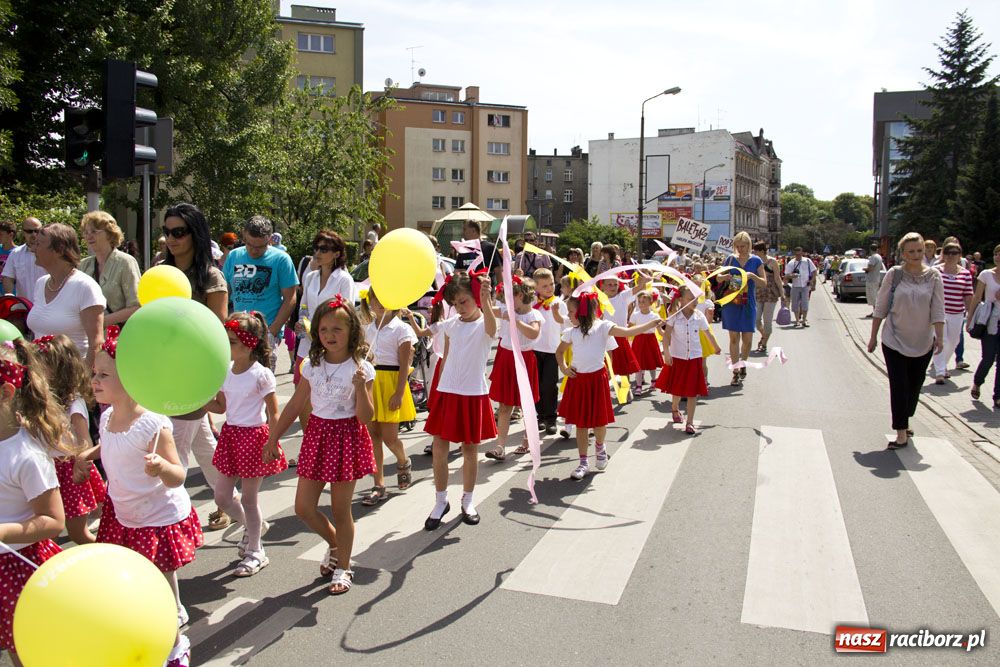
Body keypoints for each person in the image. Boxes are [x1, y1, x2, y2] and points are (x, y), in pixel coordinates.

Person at [78, 329, 203, 666]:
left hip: (155, 517)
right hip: (124, 514)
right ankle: (163, 620)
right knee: (142, 582)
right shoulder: (106, 417)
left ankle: (176, 645)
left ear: (131, 378)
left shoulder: (152, 424)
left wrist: (161, 465)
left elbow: (177, 475)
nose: (94, 380)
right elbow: (112, 444)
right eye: (94, 373)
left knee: (156, 587)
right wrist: (87, 456)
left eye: (104, 375)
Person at [267, 296, 375, 595]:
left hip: (347, 436)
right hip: (318, 435)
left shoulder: (362, 368)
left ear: (351, 331)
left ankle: (344, 565)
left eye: (337, 329)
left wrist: (359, 388)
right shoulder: (312, 366)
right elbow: (295, 405)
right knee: (303, 507)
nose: (330, 335)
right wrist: (273, 437)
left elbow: (366, 417)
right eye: (324, 329)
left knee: (341, 509)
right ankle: (335, 543)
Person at [161, 203, 233, 532]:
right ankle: (229, 500)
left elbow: (217, 328)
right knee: (203, 444)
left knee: (173, 447)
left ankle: (172, 522)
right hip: (162, 370)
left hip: (194, 372)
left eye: (179, 232)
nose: (171, 238)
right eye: (167, 232)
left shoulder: (211, 276)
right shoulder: (161, 270)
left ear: (195, 233)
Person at [0, 339, 70, 663]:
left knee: (24, 648)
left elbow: (54, 521)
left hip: (17, 565)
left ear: (6, 392)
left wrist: (2, 532)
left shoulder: (26, 455)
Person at [205, 312, 287, 578]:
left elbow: (274, 412)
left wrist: (272, 441)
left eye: (231, 342)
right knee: (222, 497)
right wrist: (197, 399)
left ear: (249, 344)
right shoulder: (224, 371)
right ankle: (254, 527)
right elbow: (221, 406)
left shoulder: (260, 375)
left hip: (254, 438)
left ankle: (255, 551)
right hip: (231, 436)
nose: (226, 347)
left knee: (250, 499)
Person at [557, 291, 662, 479]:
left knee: (598, 422)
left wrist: (651, 324)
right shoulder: (571, 332)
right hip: (578, 381)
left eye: (571, 312)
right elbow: (559, 353)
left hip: (597, 380)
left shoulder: (603, 327)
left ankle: (600, 448)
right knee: (581, 424)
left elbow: (629, 332)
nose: (568, 316)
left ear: (581, 312)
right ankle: (583, 462)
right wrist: (564, 369)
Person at [423, 273, 497, 529]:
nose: (460, 307)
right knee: (439, 450)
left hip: (472, 393)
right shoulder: (451, 324)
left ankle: (468, 500)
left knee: (469, 451)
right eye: (455, 303)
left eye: (464, 301)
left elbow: (492, 329)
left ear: (476, 297)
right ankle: (440, 500)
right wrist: (437, 392)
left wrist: (486, 300)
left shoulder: (486, 323)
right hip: (447, 391)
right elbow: (447, 357)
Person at [867, 233, 945, 448]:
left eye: (919, 251)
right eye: (911, 251)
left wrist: (940, 337)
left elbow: (938, 309)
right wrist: (873, 336)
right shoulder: (895, 274)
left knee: (914, 386)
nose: (916, 255)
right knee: (899, 385)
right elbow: (881, 306)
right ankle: (901, 431)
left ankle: (906, 417)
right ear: (903, 253)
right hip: (894, 339)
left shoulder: (934, 276)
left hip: (923, 341)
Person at [33, 334, 104, 545]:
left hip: (69, 473)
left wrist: (80, 466)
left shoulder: (74, 404)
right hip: (46, 471)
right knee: (46, 535)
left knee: (78, 534)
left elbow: (85, 442)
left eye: (40, 367)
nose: (35, 372)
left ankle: (111, 559)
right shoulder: (41, 401)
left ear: (59, 370)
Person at [359, 289, 415, 506]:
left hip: (392, 382)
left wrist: (399, 392)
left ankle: (403, 461)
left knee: (390, 437)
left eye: (385, 298)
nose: (380, 303)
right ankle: (378, 484)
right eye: (375, 298)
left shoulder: (402, 329)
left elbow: (404, 366)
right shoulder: (366, 329)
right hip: (372, 382)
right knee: (373, 437)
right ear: (370, 301)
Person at [223, 215, 299, 373]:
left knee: (260, 383)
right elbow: (225, 291)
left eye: (260, 246)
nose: (253, 250)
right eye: (249, 244)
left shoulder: (281, 259)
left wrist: (273, 331)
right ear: (244, 235)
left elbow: (290, 298)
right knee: (233, 382)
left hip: (265, 332)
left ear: (270, 239)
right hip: (237, 331)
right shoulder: (234, 256)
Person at [24, 224, 105, 368]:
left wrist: (83, 382)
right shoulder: (41, 284)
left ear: (59, 250)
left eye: (39, 244)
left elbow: (96, 343)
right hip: (40, 378)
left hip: (72, 380)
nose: (33, 249)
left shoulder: (85, 287)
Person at [485, 277, 542, 461]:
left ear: (521, 295)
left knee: (526, 404)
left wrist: (515, 320)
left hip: (524, 360)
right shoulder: (505, 311)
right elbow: (486, 311)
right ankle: (500, 446)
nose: (507, 301)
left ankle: (528, 440)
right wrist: (484, 295)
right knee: (504, 406)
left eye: (510, 297)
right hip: (506, 358)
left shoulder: (534, 315)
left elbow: (533, 333)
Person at [294, 231, 354, 394]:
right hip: (308, 340)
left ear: (337, 253)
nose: (318, 253)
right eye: (316, 248)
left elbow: (346, 313)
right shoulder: (311, 277)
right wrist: (301, 320)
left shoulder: (344, 279)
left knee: (324, 392)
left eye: (323, 249)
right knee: (300, 387)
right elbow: (304, 305)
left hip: (331, 341)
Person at [657, 285, 721, 434]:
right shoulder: (674, 316)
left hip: (694, 358)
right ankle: (675, 409)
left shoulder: (699, 315)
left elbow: (708, 333)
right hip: (678, 357)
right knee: (677, 391)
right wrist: (666, 353)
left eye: (696, 298)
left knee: (693, 392)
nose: (695, 301)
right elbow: (666, 336)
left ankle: (690, 422)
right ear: (680, 300)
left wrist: (716, 347)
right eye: (690, 298)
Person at [79, 211, 141, 327]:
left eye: (94, 231)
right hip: (87, 337)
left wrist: (99, 322)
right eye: (86, 232)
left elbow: (136, 306)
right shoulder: (83, 265)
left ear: (109, 233)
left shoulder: (126, 262)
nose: (88, 236)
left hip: (118, 338)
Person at [720, 232, 766, 387]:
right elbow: (717, 277)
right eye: (737, 246)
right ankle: (735, 372)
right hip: (732, 302)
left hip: (748, 303)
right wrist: (724, 278)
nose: (740, 249)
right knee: (733, 338)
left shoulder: (756, 260)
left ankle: (743, 363)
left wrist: (753, 276)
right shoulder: (730, 259)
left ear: (749, 245)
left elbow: (764, 283)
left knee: (747, 339)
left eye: (743, 246)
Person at [530, 268, 566, 437]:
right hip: (534, 349)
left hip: (553, 350)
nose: (550, 288)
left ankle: (551, 418)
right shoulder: (530, 302)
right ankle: (539, 416)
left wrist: (557, 313)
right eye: (544, 286)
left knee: (549, 385)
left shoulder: (559, 303)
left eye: (551, 284)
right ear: (536, 287)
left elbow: (565, 324)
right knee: (536, 384)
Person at [932, 243, 973, 384]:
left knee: (954, 341)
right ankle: (940, 372)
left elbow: (968, 295)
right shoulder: (936, 271)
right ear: (943, 254)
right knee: (941, 340)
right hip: (939, 313)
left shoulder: (965, 274)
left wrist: (970, 314)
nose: (951, 255)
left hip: (957, 312)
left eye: (954, 253)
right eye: (948, 252)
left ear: (959, 255)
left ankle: (942, 365)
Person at [601, 272, 650, 390]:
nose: (613, 287)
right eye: (609, 285)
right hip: (605, 337)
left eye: (615, 284)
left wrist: (643, 282)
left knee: (624, 367)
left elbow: (637, 288)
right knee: (606, 366)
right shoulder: (599, 299)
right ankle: (604, 390)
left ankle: (626, 389)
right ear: (603, 286)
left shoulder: (622, 296)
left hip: (621, 335)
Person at [969, 244, 1000, 406]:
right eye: (996, 254)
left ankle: (998, 396)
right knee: (988, 358)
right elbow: (976, 297)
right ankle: (977, 382)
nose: (997, 257)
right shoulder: (986, 275)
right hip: (989, 322)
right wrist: (969, 318)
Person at [2, 217, 46, 298]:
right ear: (23, 233)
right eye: (29, 231)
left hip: (47, 306)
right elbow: (8, 277)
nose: (34, 234)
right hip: (24, 306)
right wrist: (10, 295)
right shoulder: (15, 254)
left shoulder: (51, 252)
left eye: (37, 231)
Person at [629, 290, 664, 394]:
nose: (641, 304)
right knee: (638, 364)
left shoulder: (655, 316)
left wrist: (664, 329)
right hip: (638, 340)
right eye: (639, 301)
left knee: (651, 362)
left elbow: (660, 331)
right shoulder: (635, 314)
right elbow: (630, 327)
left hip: (650, 340)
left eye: (644, 301)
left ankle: (654, 381)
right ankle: (638, 385)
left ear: (650, 303)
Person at [753, 241, 785, 353]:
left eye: (756, 250)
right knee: (756, 320)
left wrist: (782, 293)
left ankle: (764, 344)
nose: (754, 252)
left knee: (767, 321)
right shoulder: (754, 262)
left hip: (770, 293)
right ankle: (764, 336)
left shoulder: (773, 262)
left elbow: (777, 278)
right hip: (757, 292)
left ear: (762, 251)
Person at [783, 246, 817, 327]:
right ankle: (797, 321)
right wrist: (792, 276)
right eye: (796, 254)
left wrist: (811, 281)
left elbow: (814, 271)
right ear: (795, 254)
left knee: (805, 304)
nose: (798, 256)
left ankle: (804, 320)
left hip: (805, 286)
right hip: (795, 286)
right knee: (795, 304)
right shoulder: (791, 263)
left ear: (802, 253)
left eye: (799, 254)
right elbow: (786, 275)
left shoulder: (807, 261)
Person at [865, 243, 886, 318]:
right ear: (877, 249)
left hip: (872, 279)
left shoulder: (873, 257)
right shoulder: (879, 257)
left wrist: (865, 269)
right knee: (875, 295)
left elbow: (871, 268)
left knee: (873, 297)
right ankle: (875, 312)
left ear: (870, 249)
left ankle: (876, 313)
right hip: (877, 278)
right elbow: (880, 268)